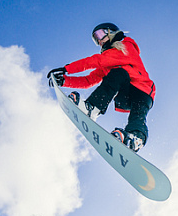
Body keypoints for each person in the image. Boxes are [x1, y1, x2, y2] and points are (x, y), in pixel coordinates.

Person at [48, 22, 155, 152]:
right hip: (126, 94)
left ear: (111, 32)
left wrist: (67, 69)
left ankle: (135, 138)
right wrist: (64, 81)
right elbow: (89, 80)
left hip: (143, 92)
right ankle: (92, 109)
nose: (99, 41)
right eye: (95, 39)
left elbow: (96, 60)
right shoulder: (108, 63)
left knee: (137, 115)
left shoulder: (126, 47)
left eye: (100, 34)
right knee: (116, 74)